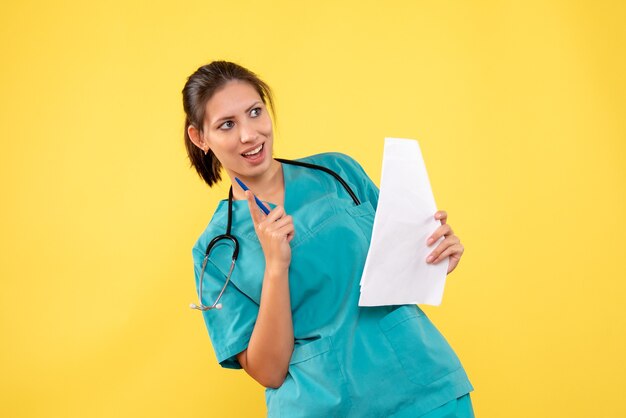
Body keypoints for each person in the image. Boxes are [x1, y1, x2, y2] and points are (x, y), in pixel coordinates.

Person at [182, 61, 475, 417]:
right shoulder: (217, 249)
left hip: (423, 390)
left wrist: (435, 258)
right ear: (200, 138)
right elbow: (269, 371)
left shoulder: (337, 172)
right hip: (324, 407)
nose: (249, 134)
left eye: (255, 112)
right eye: (227, 124)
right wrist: (276, 266)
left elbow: (397, 269)